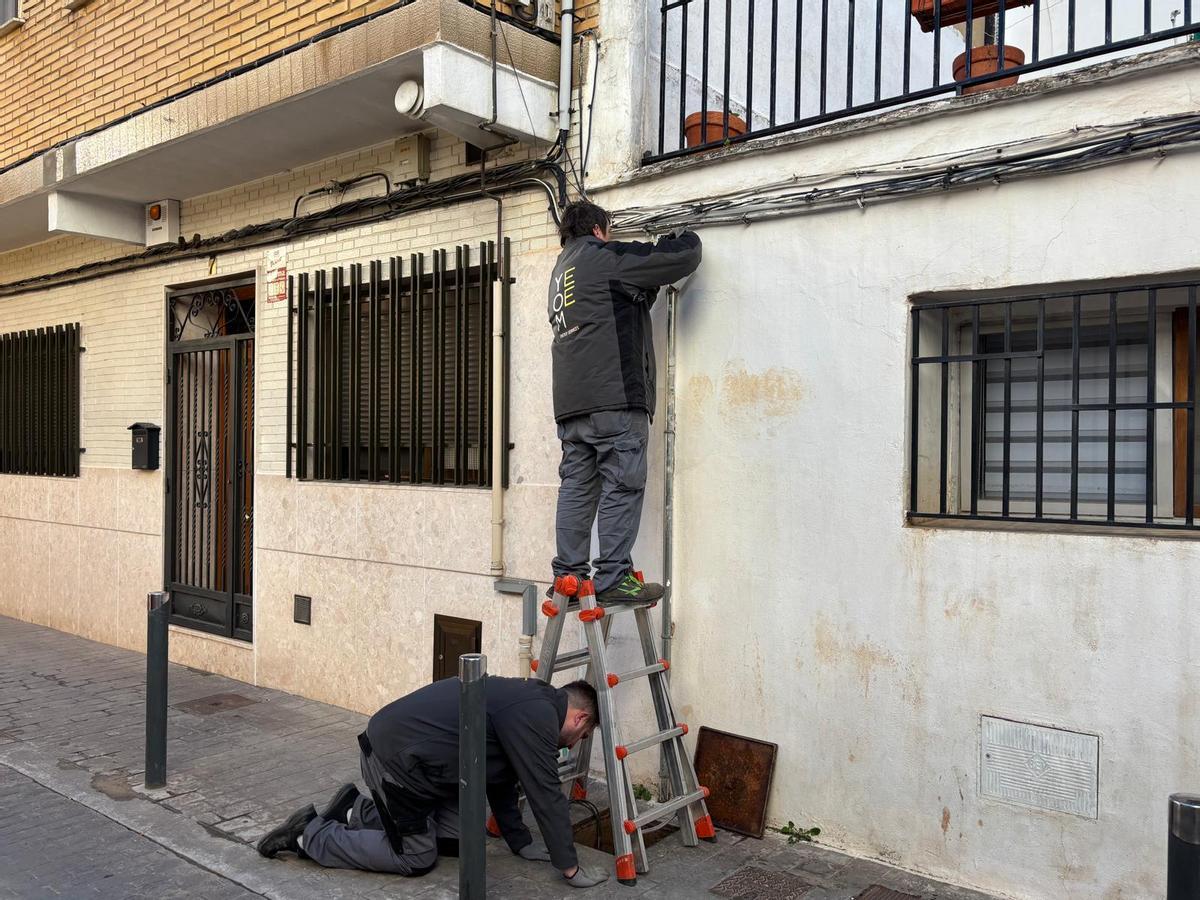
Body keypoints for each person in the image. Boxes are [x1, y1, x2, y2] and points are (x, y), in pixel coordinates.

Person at [256, 677, 610, 888]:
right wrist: (570, 867)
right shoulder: (537, 715)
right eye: (584, 735)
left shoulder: (533, 701)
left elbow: (503, 778)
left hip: (422, 766)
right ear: (580, 717)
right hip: (396, 760)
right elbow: (544, 792)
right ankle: (308, 835)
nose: (577, 743)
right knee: (416, 857)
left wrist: (520, 842)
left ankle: (353, 810)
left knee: (457, 842)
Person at [548, 201, 702, 602]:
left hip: (572, 406)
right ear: (600, 229)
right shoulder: (604, 257)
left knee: (577, 488)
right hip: (613, 398)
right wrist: (681, 237)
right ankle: (614, 577)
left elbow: (616, 306)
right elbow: (680, 258)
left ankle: (569, 574)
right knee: (623, 483)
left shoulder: (561, 272)